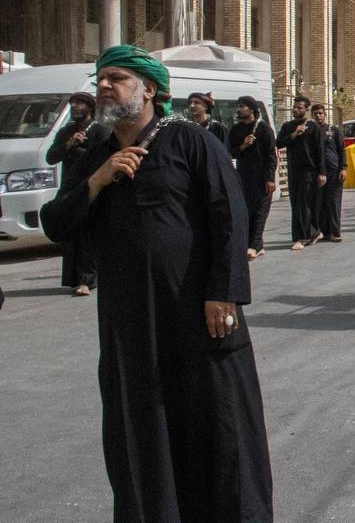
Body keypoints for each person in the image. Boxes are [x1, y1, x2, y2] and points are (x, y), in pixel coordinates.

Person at [40, 44, 272, 521]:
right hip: (130, 324)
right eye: (101, 79)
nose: (104, 87)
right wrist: (97, 181)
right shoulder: (97, 154)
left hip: (198, 315)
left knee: (217, 423)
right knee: (141, 428)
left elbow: (228, 215)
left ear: (148, 89)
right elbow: (56, 223)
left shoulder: (190, 140)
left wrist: (223, 293)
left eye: (117, 78)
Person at [45, 91, 110, 295]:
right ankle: (74, 278)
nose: (74, 107)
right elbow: (51, 157)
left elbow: (102, 158)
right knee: (71, 233)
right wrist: (69, 144)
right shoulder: (67, 132)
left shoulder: (100, 131)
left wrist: (80, 150)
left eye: (79, 103)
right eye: (72, 103)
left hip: (91, 188)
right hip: (69, 188)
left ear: (90, 107)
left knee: (86, 233)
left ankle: (87, 280)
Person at [228, 96, 277, 260]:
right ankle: (256, 245)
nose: (238, 109)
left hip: (262, 178)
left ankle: (254, 246)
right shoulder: (235, 130)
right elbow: (231, 152)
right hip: (244, 176)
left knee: (260, 212)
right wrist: (243, 145)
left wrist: (270, 178)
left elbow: (271, 156)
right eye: (237, 106)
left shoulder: (264, 129)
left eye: (242, 106)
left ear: (252, 109)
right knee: (247, 211)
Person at [278, 95, 325, 250]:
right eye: (294, 107)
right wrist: (294, 134)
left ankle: (301, 237)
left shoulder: (313, 127)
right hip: (294, 170)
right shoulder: (287, 126)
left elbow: (320, 151)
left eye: (299, 107)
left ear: (306, 109)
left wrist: (322, 173)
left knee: (303, 204)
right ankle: (314, 232)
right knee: (296, 204)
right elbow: (279, 143)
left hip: (309, 171)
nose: (296, 110)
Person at [310, 103, 348, 241]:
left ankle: (334, 232)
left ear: (325, 114)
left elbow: (341, 149)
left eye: (320, 113)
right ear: (312, 115)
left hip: (334, 171)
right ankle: (322, 232)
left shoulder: (333, 130)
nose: (318, 116)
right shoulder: (309, 131)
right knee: (319, 203)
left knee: (333, 202)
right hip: (317, 172)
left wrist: (343, 168)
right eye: (315, 113)